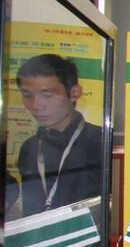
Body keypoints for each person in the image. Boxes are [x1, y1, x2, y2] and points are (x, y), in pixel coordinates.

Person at [16, 54, 103, 216]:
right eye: (27, 95)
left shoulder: (100, 141)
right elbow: (30, 210)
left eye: (47, 95)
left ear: (74, 93)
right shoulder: (29, 147)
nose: (36, 105)